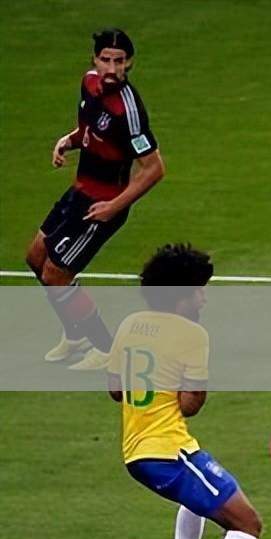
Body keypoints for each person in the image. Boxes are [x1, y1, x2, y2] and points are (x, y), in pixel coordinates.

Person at [107, 243, 262, 539]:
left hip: (137, 449)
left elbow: (115, 390)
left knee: (197, 501)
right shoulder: (191, 335)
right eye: (199, 290)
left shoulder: (130, 324)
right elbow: (191, 404)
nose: (204, 298)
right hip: (166, 451)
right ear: (181, 294)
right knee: (247, 523)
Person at [28, 28, 165, 370]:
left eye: (119, 61)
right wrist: (68, 141)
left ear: (129, 63)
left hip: (102, 205)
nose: (112, 68)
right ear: (95, 60)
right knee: (35, 257)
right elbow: (89, 129)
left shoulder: (129, 111)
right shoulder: (88, 84)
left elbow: (154, 169)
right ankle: (75, 335)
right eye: (106, 60)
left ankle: (106, 348)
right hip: (79, 191)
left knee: (56, 275)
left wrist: (113, 207)